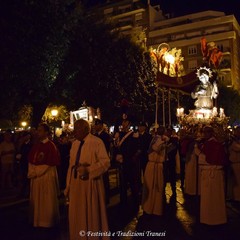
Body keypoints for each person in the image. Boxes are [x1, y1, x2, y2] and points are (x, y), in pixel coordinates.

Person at [64, 119, 110, 240]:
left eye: (77, 129)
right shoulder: (74, 144)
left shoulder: (97, 142)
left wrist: (89, 170)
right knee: (77, 213)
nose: (74, 132)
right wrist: (68, 185)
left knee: (90, 212)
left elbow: (105, 162)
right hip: (76, 185)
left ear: (85, 129)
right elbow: (71, 165)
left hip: (90, 184)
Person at [28, 123, 60, 228]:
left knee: (46, 200)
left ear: (46, 132)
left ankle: (47, 221)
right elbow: (31, 160)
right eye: (37, 130)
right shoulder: (36, 145)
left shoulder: (51, 146)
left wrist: (36, 172)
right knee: (37, 200)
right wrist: (32, 171)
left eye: (40, 130)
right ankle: (37, 220)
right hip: (36, 178)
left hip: (46, 177)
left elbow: (49, 164)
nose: (38, 132)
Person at [194, 126, 228, 225]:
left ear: (210, 133)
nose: (204, 134)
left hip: (212, 174)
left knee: (213, 198)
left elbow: (208, 160)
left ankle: (214, 219)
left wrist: (197, 152)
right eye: (203, 132)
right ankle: (210, 218)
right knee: (210, 198)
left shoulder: (214, 144)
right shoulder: (208, 143)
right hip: (210, 173)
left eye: (206, 132)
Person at [115, 118, 141, 213]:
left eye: (125, 122)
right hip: (122, 162)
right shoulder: (119, 134)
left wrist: (134, 157)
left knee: (133, 183)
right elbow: (117, 147)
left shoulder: (133, 134)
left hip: (131, 162)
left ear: (129, 123)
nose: (123, 123)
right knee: (123, 184)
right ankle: (123, 202)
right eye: (122, 121)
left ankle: (135, 202)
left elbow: (138, 148)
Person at [142, 126, 169, 216]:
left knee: (158, 187)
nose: (163, 131)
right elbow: (156, 148)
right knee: (151, 186)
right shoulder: (156, 139)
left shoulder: (161, 138)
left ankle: (156, 208)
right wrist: (163, 141)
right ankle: (149, 207)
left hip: (158, 165)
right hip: (152, 165)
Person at [94, 118, 112, 204]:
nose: (96, 126)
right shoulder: (94, 136)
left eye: (97, 125)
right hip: (95, 160)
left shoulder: (106, 136)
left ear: (101, 125)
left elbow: (107, 148)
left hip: (103, 158)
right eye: (95, 125)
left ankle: (106, 197)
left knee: (104, 180)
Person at [165, 128, 179, 197]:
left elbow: (175, 148)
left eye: (169, 132)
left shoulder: (173, 140)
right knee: (164, 176)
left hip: (171, 160)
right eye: (167, 132)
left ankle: (173, 189)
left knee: (172, 176)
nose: (168, 133)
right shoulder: (163, 140)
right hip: (165, 161)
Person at [228, 126, 240, 201]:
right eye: (237, 131)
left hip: (237, 162)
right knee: (237, 181)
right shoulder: (232, 140)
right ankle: (236, 198)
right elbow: (237, 148)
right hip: (235, 162)